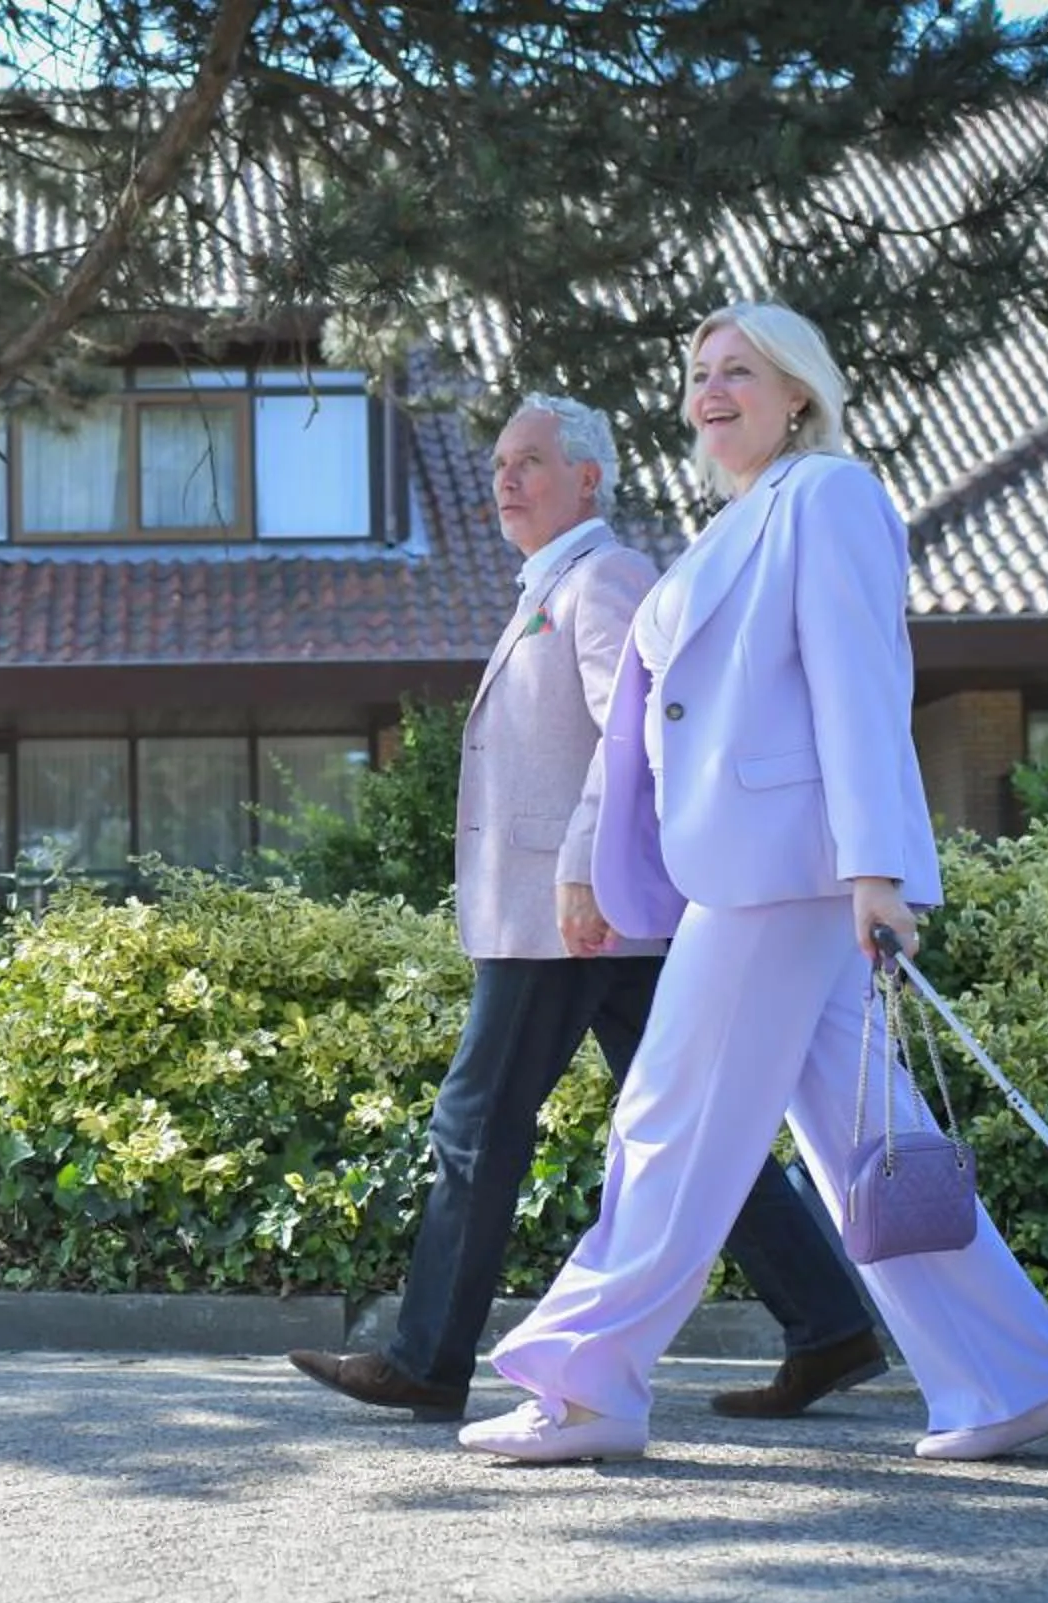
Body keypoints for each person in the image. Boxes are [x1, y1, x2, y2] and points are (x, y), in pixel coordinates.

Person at [456, 305, 1048, 1465]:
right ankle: (1015, 1377)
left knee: (668, 1118)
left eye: (738, 372)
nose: (711, 391)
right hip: (752, 869)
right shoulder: (733, 523)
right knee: (871, 1144)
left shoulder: (829, 496)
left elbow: (859, 684)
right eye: (700, 374)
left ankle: (588, 1382)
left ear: (797, 390)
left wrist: (876, 871)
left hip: (788, 874)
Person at [287, 394, 885, 1426]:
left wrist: (578, 871)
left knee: (477, 1121)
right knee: (697, 1123)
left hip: (572, 917)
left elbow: (636, 733)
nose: (506, 481)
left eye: (530, 462)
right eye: (501, 465)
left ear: (589, 479)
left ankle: (430, 1358)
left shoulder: (602, 578)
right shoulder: (556, 583)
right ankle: (828, 1324)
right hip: (602, 917)